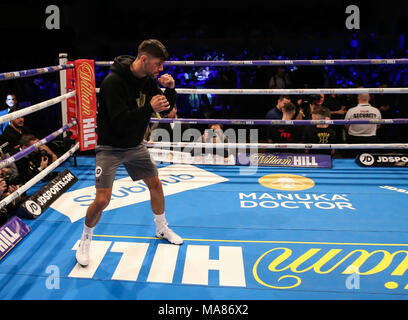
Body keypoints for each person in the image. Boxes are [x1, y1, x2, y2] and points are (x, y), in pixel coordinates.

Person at [76, 39, 183, 268]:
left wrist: (171, 89)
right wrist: (148, 108)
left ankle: (161, 227)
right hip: (110, 147)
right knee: (103, 199)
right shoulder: (112, 83)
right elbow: (119, 121)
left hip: (135, 145)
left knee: (155, 183)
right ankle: (85, 238)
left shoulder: (147, 80)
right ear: (144, 59)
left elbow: (164, 111)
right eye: (158, 63)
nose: (161, 68)